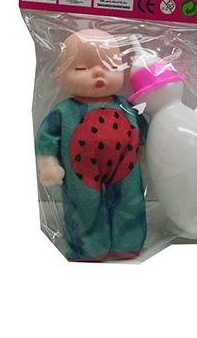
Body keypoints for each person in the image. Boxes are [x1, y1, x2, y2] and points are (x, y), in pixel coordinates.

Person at [35, 29, 148, 261]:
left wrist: (147, 155)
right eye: (80, 68)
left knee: (130, 200)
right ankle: (87, 248)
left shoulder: (127, 107)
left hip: (125, 166)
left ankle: (128, 241)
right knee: (83, 205)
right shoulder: (64, 112)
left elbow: (143, 133)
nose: (98, 72)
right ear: (60, 75)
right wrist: (48, 165)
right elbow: (46, 139)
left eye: (111, 66)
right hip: (80, 171)